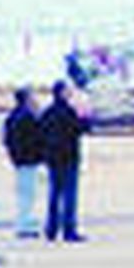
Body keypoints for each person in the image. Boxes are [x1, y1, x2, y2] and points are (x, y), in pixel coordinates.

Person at [39, 79, 90, 242]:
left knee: (54, 194)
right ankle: (69, 229)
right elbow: (81, 129)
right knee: (69, 195)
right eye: (68, 91)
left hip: (53, 158)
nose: (70, 94)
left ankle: (51, 229)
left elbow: (40, 134)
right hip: (68, 157)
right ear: (62, 93)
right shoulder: (68, 111)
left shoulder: (47, 112)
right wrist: (85, 116)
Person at [1, 87, 45, 238]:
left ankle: (25, 223)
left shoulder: (12, 117)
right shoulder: (27, 118)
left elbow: (7, 139)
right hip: (28, 160)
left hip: (20, 160)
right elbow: (36, 138)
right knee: (28, 194)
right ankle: (25, 225)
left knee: (25, 193)